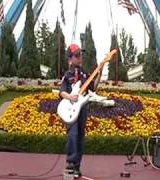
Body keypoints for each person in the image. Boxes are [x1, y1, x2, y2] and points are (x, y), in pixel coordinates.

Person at [59, 44, 100, 178]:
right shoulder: (67, 74)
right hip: (70, 109)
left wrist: (99, 72)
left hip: (81, 109)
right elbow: (62, 92)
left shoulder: (85, 73)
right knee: (73, 135)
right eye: (77, 55)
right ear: (70, 58)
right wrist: (70, 96)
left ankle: (76, 166)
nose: (80, 57)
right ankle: (70, 163)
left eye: (80, 54)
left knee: (80, 137)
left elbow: (92, 89)